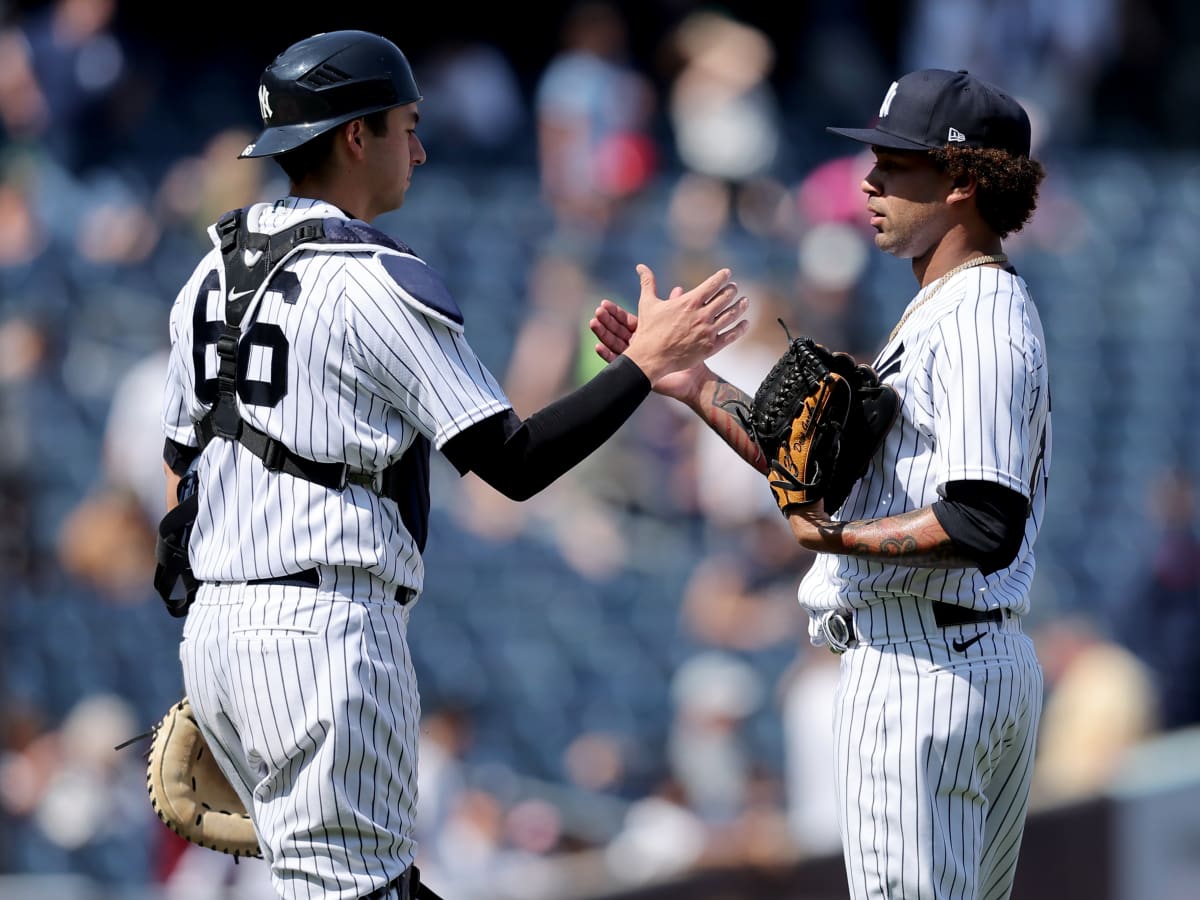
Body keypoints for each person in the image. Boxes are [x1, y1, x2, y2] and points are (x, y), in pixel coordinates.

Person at [157, 30, 748, 900]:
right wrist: (642, 369)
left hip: (215, 634)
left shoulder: (203, 278)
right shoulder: (374, 278)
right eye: (405, 125)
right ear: (356, 136)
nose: (421, 148)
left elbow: (182, 473)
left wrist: (228, 642)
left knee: (359, 887)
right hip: (324, 634)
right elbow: (509, 463)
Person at [592, 68, 1050, 900]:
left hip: (922, 665)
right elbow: (818, 472)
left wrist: (835, 539)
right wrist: (693, 382)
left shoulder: (979, 313)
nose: (869, 179)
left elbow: (984, 520)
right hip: (957, 654)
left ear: (965, 183)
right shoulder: (946, 306)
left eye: (899, 163)